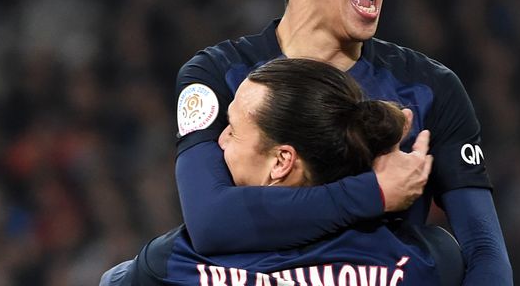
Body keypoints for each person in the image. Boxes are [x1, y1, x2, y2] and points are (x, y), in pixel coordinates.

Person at [174, 0, 512, 284]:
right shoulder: (218, 76)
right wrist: (376, 194)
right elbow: (211, 222)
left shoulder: (431, 87)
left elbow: (484, 250)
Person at [101, 58, 464, 285]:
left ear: (281, 162)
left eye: (234, 130)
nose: (221, 141)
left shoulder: (176, 262)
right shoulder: (425, 259)